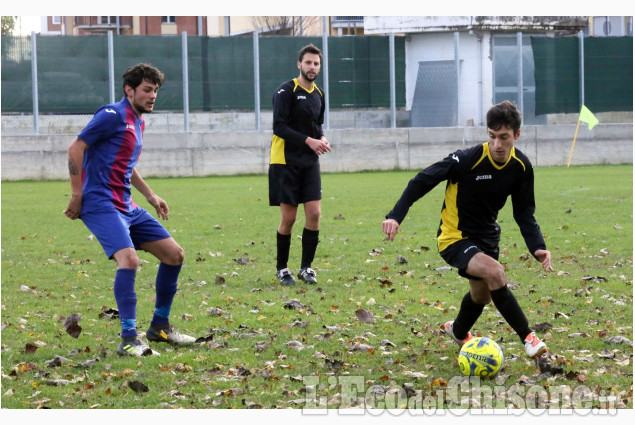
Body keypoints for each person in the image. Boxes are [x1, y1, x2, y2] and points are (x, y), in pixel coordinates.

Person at [382, 101, 553, 359]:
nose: (497, 144)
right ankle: (529, 339)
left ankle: (459, 331)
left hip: (487, 237)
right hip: (454, 236)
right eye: (492, 136)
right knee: (496, 273)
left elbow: (524, 212)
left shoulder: (521, 167)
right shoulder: (466, 159)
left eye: (504, 137)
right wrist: (395, 216)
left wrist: (537, 246)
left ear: (516, 135)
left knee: (481, 295)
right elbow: (422, 180)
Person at [63, 63, 195, 357]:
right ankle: (128, 338)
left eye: (155, 91)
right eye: (147, 90)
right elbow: (75, 148)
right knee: (130, 259)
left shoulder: (138, 121)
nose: (152, 96)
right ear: (129, 90)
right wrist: (77, 194)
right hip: (99, 203)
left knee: (175, 255)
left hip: (126, 205)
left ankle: (159, 327)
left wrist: (150, 195)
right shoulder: (111, 115)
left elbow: (126, 164)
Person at [269, 44, 331, 286]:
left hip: (309, 162)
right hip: (285, 161)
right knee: (289, 218)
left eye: (316, 63)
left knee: (314, 213)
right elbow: (279, 127)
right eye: (308, 62)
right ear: (299, 64)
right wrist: (309, 141)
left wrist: (322, 139)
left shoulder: (320, 94)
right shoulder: (286, 92)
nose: (312, 67)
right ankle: (282, 268)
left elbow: (317, 127)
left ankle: (306, 268)